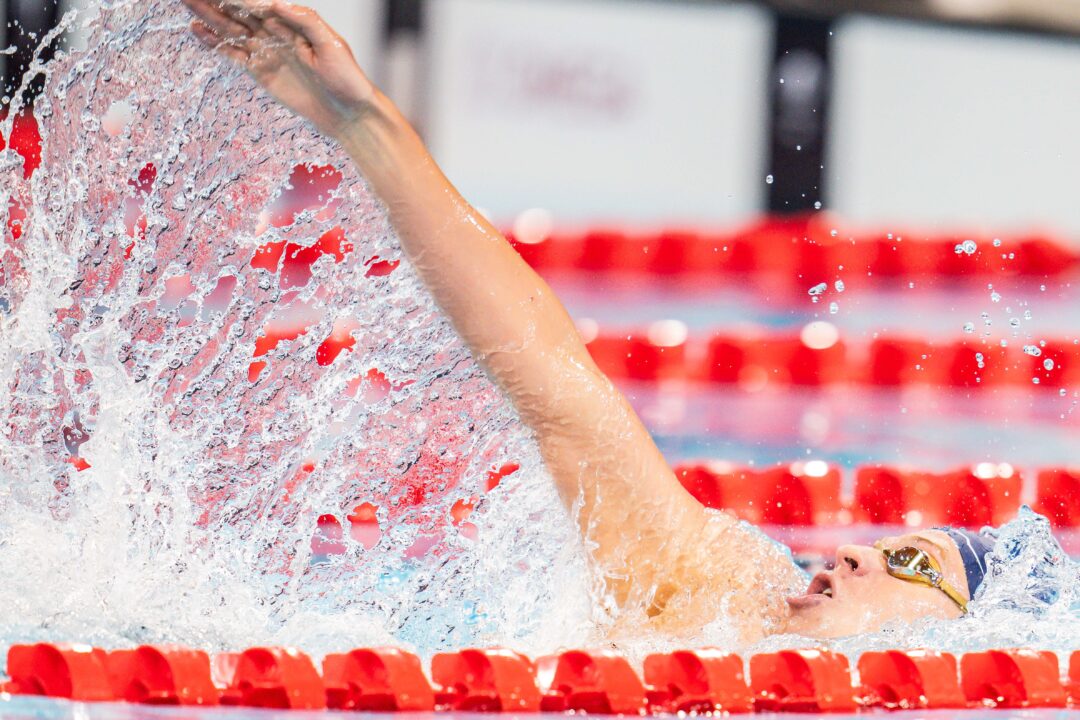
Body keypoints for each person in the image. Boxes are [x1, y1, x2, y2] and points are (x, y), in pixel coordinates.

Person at [180, 0, 997, 644]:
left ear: (960, 643)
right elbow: (555, 385)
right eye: (889, 547)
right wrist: (365, 124)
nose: (851, 551)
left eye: (911, 568)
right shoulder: (720, 595)